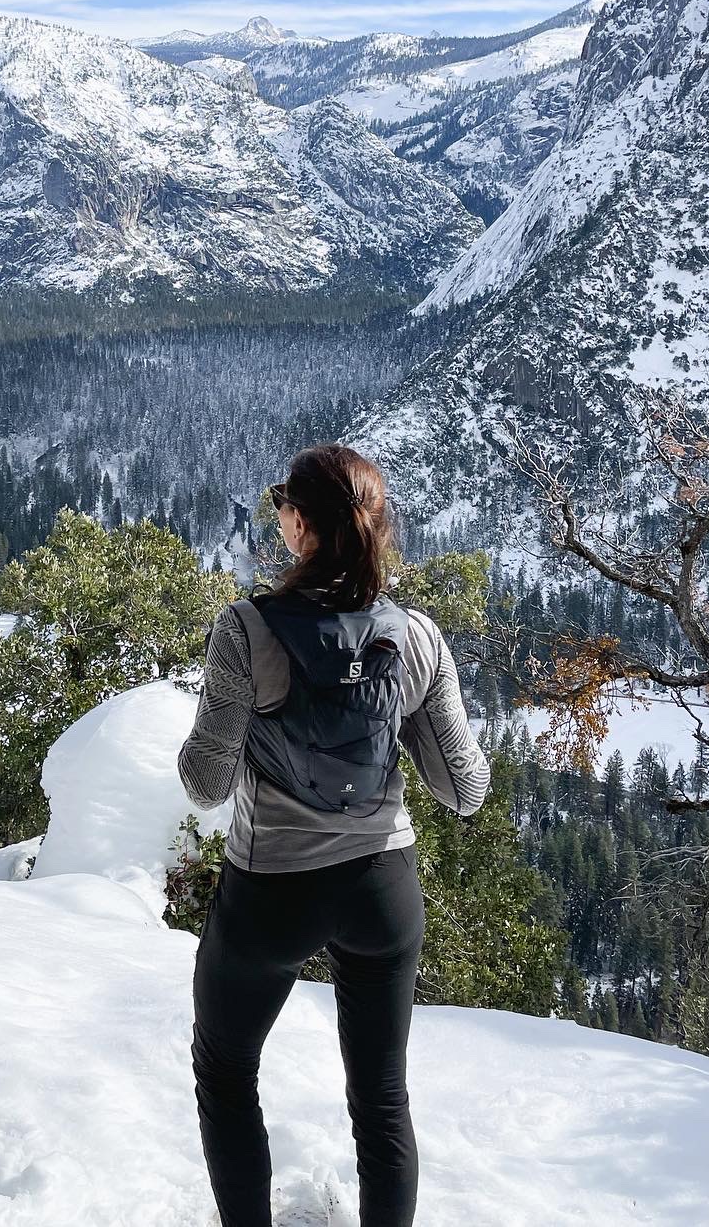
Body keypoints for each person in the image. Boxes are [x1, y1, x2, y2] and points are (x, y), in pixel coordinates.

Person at [178, 442, 491, 1227]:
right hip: (383, 885)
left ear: (300, 524)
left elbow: (206, 783)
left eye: (282, 500)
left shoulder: (247, 629)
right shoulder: (415, 635)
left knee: (226, 1070)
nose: (279, 512)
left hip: (272, 891)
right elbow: (465, 790)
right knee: (381, 1097)